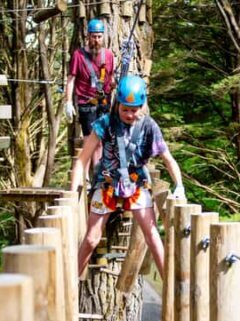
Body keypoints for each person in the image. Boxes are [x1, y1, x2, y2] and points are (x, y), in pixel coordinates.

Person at [70, 75, 186, 276]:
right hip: (107, 183)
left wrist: (180, 186)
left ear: (141, 106)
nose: (129, 114)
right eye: (125, 109)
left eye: (134, 110)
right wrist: (73, 193)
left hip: (135, 184)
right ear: (117, 104)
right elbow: (82, 160)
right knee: (91, 239)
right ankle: (70, 283)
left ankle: (170, 286)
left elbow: (168, 158)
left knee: (152, 235)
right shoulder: (105, 123)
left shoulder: (149, 126)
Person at [64, 19, 115, 137]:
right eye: (94, 37)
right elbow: (71, 79)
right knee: (90, 141)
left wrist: (115, 84)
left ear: (103, 36)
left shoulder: (108, 55)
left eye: (99, 36)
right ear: (88, 36)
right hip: (87, 103)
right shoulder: (78, 55)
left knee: (103, 140)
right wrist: (68, 102)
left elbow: (111, 77)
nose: (96, 40)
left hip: (104, 102)